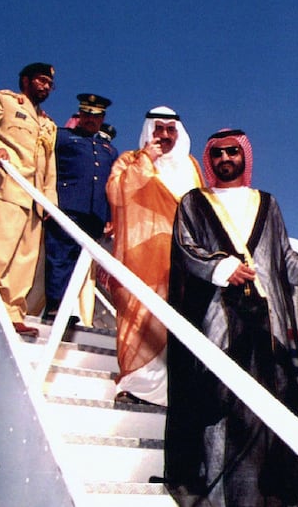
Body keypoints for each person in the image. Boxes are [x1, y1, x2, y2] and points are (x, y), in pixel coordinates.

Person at [165, 128, 298, 507]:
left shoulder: (267, 203)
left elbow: (285, 259)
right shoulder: (194, 202)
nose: (225, 159)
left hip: (267, 323)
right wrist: (223, 267)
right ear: (209, 160)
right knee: (220, 409)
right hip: (218, 320)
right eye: (218, 154)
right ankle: (216, 498)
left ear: (244, 156)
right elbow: (185, 249)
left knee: (265, 415)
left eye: (233, 152)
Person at [106, 106, 204, 406]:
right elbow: (116, 192)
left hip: (181, 262)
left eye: (170, 129)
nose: (163, 135)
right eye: (157, 129)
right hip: (140, 259)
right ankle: (136, 385)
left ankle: (174, 393)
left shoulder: (191, 166)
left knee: (178, 324)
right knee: (139, 321)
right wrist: (146, 158)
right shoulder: (131, 160)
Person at [0, 62, 57, 337]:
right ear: (25, 81)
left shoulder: (48, 123)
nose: (46, 87)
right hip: (8, 188)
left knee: (24, 264)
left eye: (50, 84)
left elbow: (49, 166)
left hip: (35, 198)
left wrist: (50, 199)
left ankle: (14, 314)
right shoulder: (4, 101)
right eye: (41, 81)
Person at [44, 94, 118, 324]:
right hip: (67, 205)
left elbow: (109, 184)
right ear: (80, 115)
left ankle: (69, 306)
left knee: (80, 262)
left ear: (102, 118)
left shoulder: (108, 149)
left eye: (96, 116)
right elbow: (44, 164)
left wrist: (109, 215)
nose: (90, 120)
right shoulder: (63, 137)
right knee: (59, 257)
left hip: (94, 212)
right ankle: (55, 306)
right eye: (86, 114)